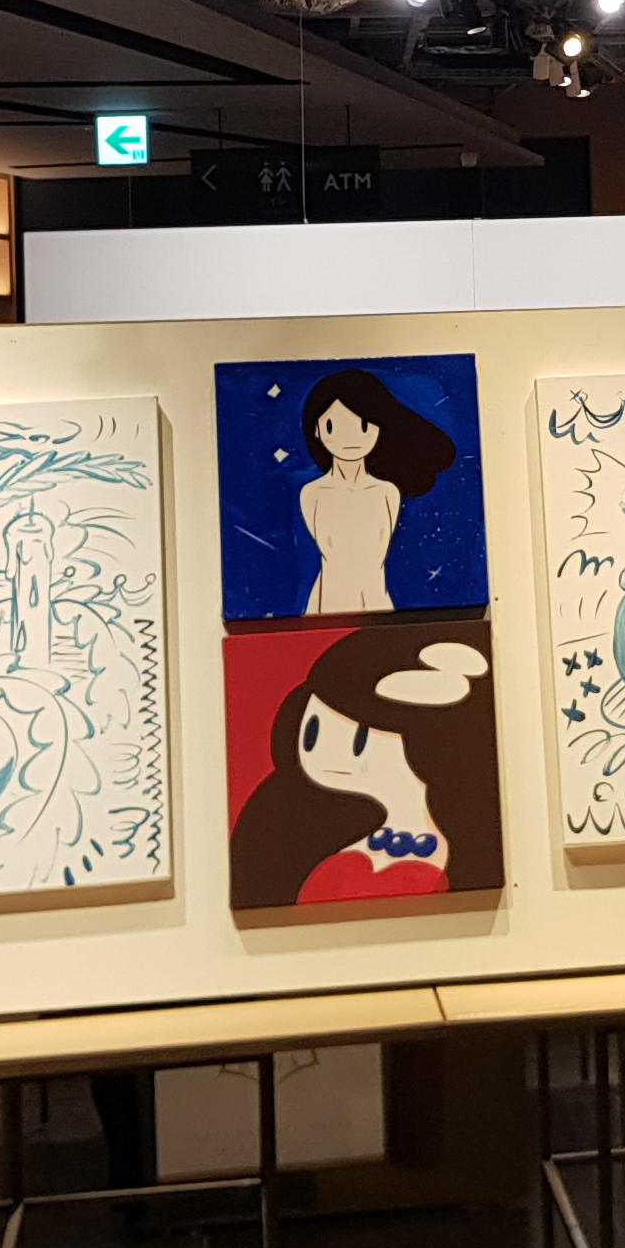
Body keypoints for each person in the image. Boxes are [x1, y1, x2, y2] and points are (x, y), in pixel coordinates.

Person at [228, 624, 499, 907]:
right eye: (312, 731)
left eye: (359, 740)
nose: (327, 757)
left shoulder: (474, 846)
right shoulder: (310, 827)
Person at [291, 367, 457, 616]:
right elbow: (333, 561)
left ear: (379, 427)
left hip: (377, 601)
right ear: (316, 431)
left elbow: (374, 563)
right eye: (332, 426)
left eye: (363, 425)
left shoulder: (387, 492)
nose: (350, 438)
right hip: (327, 605)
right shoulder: (312, 493)